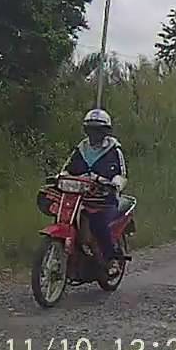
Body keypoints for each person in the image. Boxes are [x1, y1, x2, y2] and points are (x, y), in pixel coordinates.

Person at [60, 108, 128, 274]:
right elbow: (67, 168)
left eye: (98, 130)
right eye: (91, 129)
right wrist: (61, 177)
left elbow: (121, 174)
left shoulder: (113, 149)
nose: (94, 134)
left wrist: (114, 184)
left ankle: (111, 259)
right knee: (62, 214)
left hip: (104, 199)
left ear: (105, 132)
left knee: (99, 223)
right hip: (79, 197)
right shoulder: (81, 148)